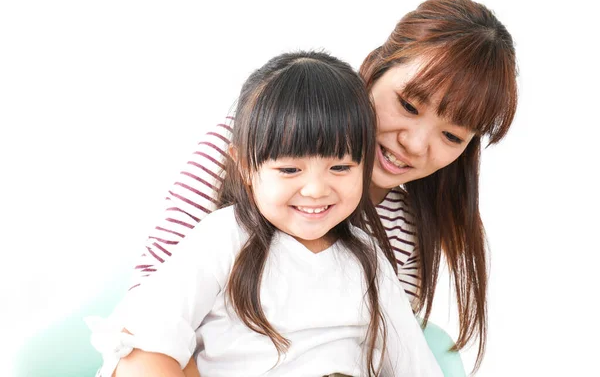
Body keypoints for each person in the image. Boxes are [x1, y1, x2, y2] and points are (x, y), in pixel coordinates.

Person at [127, 0, 517, 372]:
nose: (414, 144)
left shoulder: (400, 235)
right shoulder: (254, 150)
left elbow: (385, 354)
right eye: (409, 105)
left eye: (451, 136)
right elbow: (144, 324)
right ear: (376, 68)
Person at [89, 51, 444, 377]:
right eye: (290, 170)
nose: (317, 189)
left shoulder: (370, 259)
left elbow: (415, 364)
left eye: (340, 167)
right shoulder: (223, 237)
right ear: (244, 165)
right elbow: (147, 340)